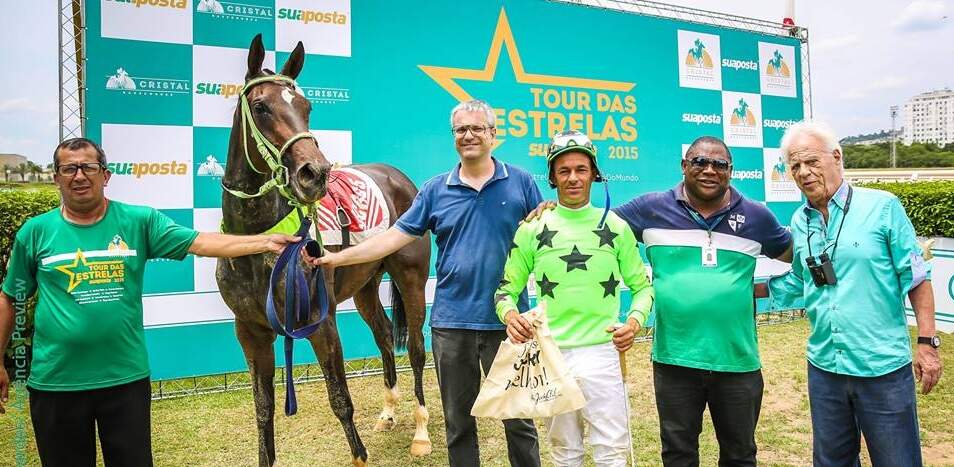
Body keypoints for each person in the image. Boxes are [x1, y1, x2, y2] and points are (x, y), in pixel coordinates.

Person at [0, 137, 299, 467]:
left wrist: (265, 241)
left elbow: (201, 242)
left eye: (89, 167)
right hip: (55, 384)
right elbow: (9, 298)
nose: (79, 175)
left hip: (125, 380)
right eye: (68, 168)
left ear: (106, 175)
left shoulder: (139, 221)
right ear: (56, 177)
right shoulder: (35, 232)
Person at [527, 135, 793, 466]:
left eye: (719, 164)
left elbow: (798, 258)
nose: (709, 170)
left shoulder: (757, 216)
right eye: (699, 162)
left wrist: (768, 291)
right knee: (678, 453)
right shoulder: (651, 208)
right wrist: (550, 208)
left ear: (731, 171)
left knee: (740, 454)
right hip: (674, 360)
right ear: (684, 167)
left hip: (737, 362)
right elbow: (585, 222)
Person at [305, 100, 542, 466]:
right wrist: (337, 257)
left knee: (519, 422)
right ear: (454, 137)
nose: (469, 135)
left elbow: (545, 239)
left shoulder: (522, 182)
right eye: (461, 130)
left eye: (477, 128)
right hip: (451, 324)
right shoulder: (435, 190)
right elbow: (392, 238)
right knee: (459, 424)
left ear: (494, 135)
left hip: (509, 324)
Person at [765, 121, 942, 467]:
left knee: (897, 461)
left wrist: (927, 343)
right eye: (795, 165)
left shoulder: (883, 206)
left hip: (882, 370)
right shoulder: (800, 222)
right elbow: (799, 282)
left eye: (811, 161)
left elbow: (917, 277)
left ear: (836, 157)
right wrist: (741, 289)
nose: (803, 172)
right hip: (825, 368)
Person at [496, 130, 654, 466]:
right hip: (552, 353)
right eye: (563, 170)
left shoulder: (616, 226)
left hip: (604, 351)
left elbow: (643, 288)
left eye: (581, 169)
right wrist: (511, 317)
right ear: (552, 177)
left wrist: (634, 322)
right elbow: (505, 292)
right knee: (565, 451)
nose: (573, 178)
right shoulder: (532, 228)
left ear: (595, 174)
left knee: (611, 448)